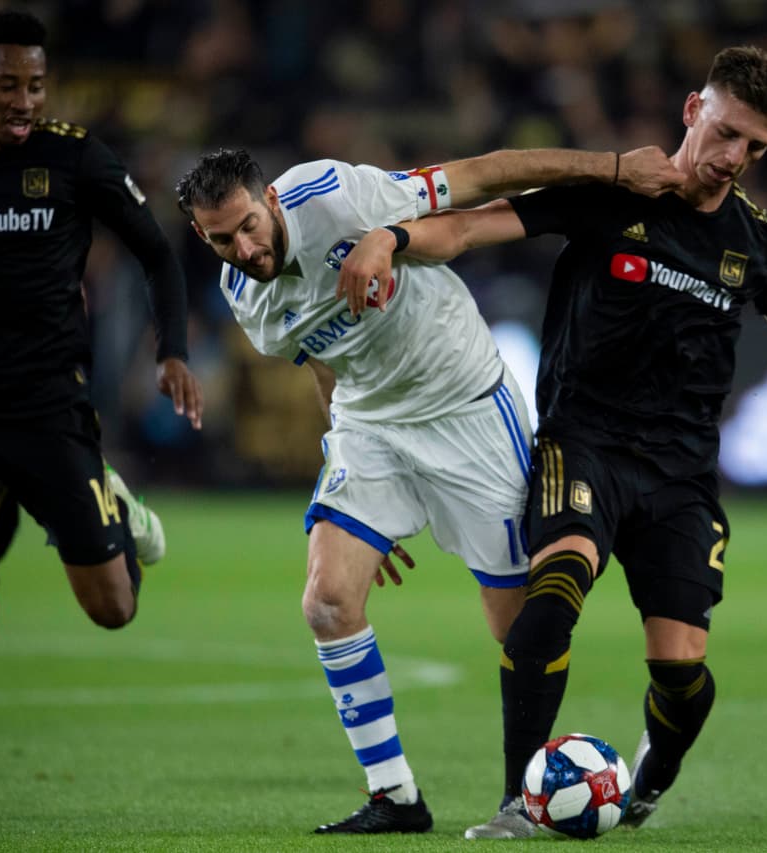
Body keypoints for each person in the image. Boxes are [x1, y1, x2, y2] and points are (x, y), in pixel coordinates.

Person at [339, 44, 767, 838]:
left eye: (756, 146)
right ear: (693, 110)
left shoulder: (758, 243)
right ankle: (516, 803)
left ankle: (650, 779)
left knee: (681, 674)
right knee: (550, 600)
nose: (735, 157)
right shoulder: (610, 193)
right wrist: (391, 237)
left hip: (681, 477)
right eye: (727, 132)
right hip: (583, 443)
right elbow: (466, 228)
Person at [176, 143, 681, 834]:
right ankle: (395, 796)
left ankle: (527, 795)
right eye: (220, 240)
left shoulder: (336, 196)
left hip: (466, 408)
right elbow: (325, 367)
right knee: (328, 602)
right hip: (370, 427)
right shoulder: (245, 297)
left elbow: (483, 175)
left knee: (520, 627)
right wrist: (358, 503)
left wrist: (616, 168)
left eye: (248, 227)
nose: (243, 249)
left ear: (270, 201)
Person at [0, 11, 202, 644]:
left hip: (46, 409)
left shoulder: (73, 156)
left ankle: (112, 509)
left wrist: (171, 350)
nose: (25, 101)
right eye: (8, 84)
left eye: (36, 86)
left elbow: (156, 252)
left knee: (113, 609)